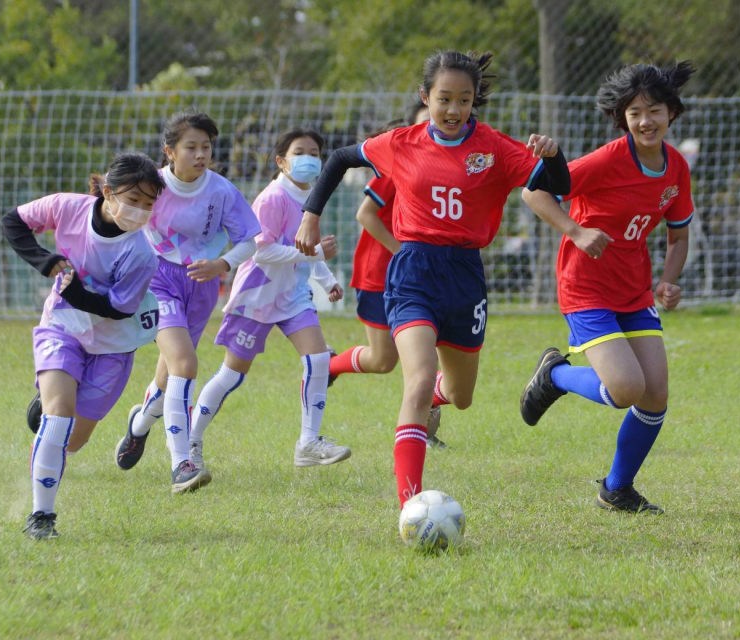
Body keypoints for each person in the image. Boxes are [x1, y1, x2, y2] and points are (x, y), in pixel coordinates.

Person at [295, 50, 570, 509]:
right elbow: (342, 157)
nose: (454, 109)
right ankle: (411, 505)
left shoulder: (496, 148)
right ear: (426, 96)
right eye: (444, 99)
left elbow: (559, 185)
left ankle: (434, 404)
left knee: (459, 396)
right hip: (413, 272)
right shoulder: (402, 142)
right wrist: (310, 216)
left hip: (465, 276)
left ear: (474, 101)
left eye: (465, 100)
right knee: (418, 381)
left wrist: (554, 155)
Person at [519, 61, 696, 515]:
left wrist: (669, 280)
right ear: (623, 120)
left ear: (671, 113)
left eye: (653, 110)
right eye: (634, 112)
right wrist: (576, 231)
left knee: (655, 393)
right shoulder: (606, 160)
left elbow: (678, 235)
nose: (645, 120)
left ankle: (617, 489)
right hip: (586, 288)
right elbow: (534, 193)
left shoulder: (676, 168)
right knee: (624, 390)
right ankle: (554, 375)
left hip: (633, 290)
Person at [2, 153, 166, 538]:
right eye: (134, 200)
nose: (141, 211)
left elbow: (115, 309)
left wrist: (74, 288)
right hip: (62, 326)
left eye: (148, 204)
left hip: (113, 343)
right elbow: (14, 222)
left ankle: (51, 406)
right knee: (59, 418)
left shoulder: (141, 254)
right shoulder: (66, 206)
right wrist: (46, 262)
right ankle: (41, 517)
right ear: (108, 192)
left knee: (74, 438)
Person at [188, 128, 351, 474]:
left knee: (319, 359)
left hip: (294, 296)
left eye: (314, 153)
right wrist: (316, 255)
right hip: (257, 296)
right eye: (300, 152)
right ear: (281, 161)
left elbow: (307, 249)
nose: (308, 159)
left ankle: (308, 442)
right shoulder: (273, 197)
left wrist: (327, 278)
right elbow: (262, 252)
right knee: (231, 375)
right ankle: (191, 441)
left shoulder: (312, 200)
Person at [114, 111, 261, 493]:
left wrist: (223, 262)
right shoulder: (151, 186)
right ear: (169, 152)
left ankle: (139, 424)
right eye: (191, 147)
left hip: (201, 285)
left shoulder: (222, 191)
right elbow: (119, 218)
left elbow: (249, 239)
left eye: (206, 146)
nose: (200, 154)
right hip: (156, 280)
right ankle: (183, 463)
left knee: (169, 376)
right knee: (185, 364)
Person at [327, 101, 448, 448]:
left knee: (433, 354)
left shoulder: (450, 167)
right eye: (427, 121)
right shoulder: (399, 165)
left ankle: (423, 430)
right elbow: (366, 215)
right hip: (381, 273)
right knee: (382, 361)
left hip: (424, 275)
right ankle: (328, 367)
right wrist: (404, 253)